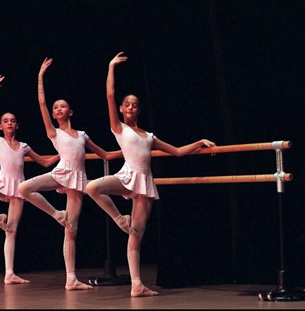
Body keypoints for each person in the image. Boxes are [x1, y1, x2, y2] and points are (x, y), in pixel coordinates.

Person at [86, 51, 216, 297]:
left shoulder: (150, 136)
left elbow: (177, 152)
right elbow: (110, 95)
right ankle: (119, 219)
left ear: (139, 110)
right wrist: (111, 67)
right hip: (127, 176)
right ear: (123, 110)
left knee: (137, 235)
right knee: (92, 187)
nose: (131, 107)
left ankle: (137, 285)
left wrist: (200, 142)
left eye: (135, 105)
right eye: (128, 104)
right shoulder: (119, 128)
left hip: (144, 183)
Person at [18, 57, 123, 291]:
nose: (57, 109)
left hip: (77, 181)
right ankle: (57, 214)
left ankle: (71, 278)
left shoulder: (82, 135)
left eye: (62, 106)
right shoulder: (53, 132)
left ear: (70, 111)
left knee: (72, 230)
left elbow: (105, 155)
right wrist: (40, 77)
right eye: (56, 108)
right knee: (24, 188)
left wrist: (129, 150)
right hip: (60, 173)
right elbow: (41, 104)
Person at [0, 74, 59, 285]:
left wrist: (64, 154)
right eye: (5, 121)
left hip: (18, 190)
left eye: (12, 121)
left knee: (12, 231)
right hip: (0, 184)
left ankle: (10, 273)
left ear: (17, 125)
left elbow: (44, 163)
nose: (9, 123)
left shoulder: (24, 146)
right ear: (0, 126)